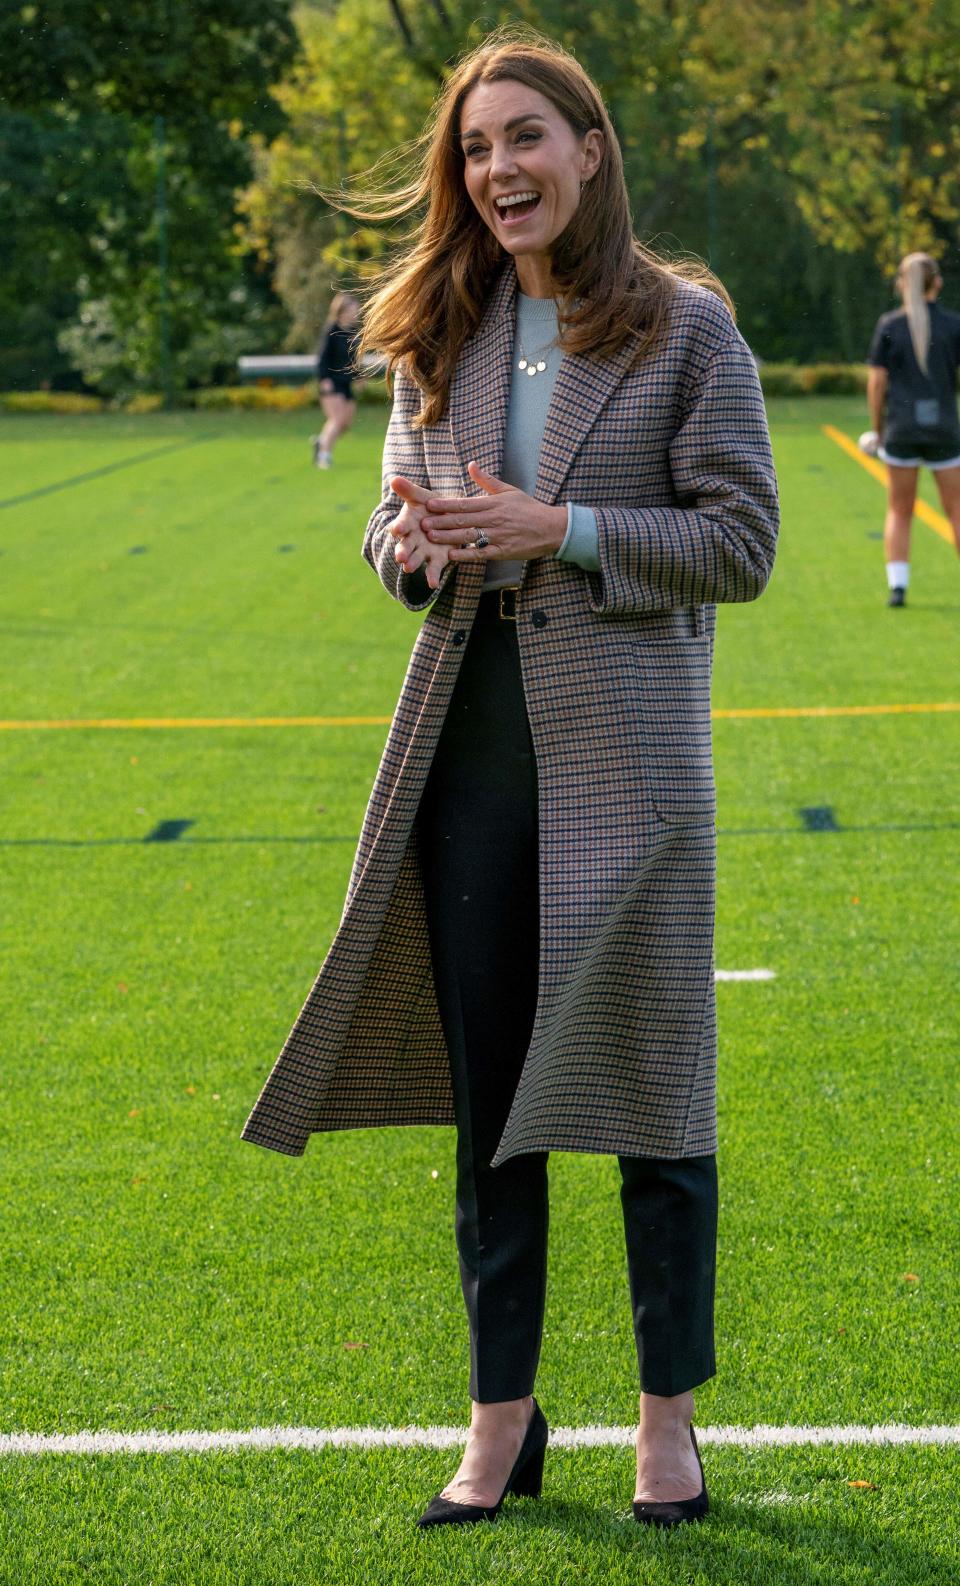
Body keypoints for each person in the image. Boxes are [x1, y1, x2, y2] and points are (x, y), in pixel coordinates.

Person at [242, 30, 779, 1530]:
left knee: (658, 1098)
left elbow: (741, 543)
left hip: (634, 768)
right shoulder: (438, 325)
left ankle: (666, 1420)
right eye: (477, 150)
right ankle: (501, 1416)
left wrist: (572, 532)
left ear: (590, 148)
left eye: (526, 138)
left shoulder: (687, 332)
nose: (499, 171)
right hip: (469, 755)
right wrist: (407, 548)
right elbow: (393, 521)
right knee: (492, 1111)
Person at [860, 252, 960, 606]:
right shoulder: (953, 325)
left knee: (899, 510)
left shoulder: (889, 325)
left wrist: (877, 429)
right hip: (945, 431)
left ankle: (897, 588)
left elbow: (876, 386)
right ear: (938, 283)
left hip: (901, 431)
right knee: (957, 508)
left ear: (902, 283)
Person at [311, 291, 363, 468]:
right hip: (332, 382)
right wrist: (324, 379)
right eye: (352, 309)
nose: (355, 312)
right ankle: (324, 455)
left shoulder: (353, 332)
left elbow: (353, 360)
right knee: (337, 419)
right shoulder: (331, 330)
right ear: (341, 310)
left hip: (346, 382)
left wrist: (359, 376)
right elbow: (323, 358)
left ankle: (321, 440)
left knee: (345, 424)